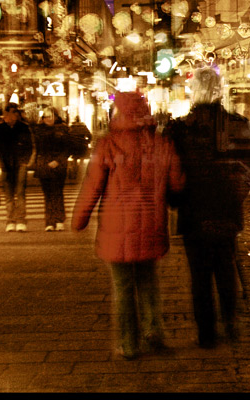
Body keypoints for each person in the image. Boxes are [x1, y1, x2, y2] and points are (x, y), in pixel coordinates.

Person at [73, 91, 184, 360]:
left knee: (122, 288)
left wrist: (80, 219)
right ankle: (153, 330)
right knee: (148, 281)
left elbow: (92, 186)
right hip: (152, 224)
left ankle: (129, 343)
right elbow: (178, 183)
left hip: (116, 227)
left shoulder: (108, 145)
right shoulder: (161, 143)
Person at [163, 66, 250, 349]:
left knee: (200, 275)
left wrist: (176, 199)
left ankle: (206, 333)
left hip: (193, 211)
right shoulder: (237, 123)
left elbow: (169, 169)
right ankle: (230, 321)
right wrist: (235, 193)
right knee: (225, 267)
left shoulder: (180, 128)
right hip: (225, 210)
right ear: (220, 90)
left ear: (194, 90)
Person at [31, 107, 76, 232]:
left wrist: (59, 160)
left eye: (50, 116)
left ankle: (59, 220)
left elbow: (68, 148)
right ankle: (49, 221)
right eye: (46, 117)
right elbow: (37, 148)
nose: (48, 119)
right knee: (48, 194)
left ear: (55, 117)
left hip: (58, 165)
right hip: (43, 164)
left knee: (57, 192)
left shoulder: (63, 129)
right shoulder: (39, 130)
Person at [0, 102, 34, 233]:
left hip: (20, 163)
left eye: (16, 112)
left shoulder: (23, 127)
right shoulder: (0, 128)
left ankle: (21, 220)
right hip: (5, 164)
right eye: (12, 112)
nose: (14, 115)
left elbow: (29, 146)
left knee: (20, 192)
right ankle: (10, 220)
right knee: (9, 194)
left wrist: (25, 161)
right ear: (6, 114)